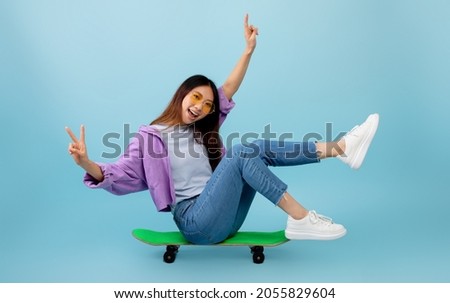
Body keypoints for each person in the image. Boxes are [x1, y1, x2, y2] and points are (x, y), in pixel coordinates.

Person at [66, 15, 379, 245]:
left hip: (225, 214)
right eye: (196, 98)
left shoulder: (201, 129)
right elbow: (117, 173)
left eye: (207, 105)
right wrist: (86, 163)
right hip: (196, 222)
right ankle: (300, 217)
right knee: (244, 151)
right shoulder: (151, 138)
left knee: (253, 148)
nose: (201, 107)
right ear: (182, 94)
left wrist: (248, 51)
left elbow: (226, 91)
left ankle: (340, 149)